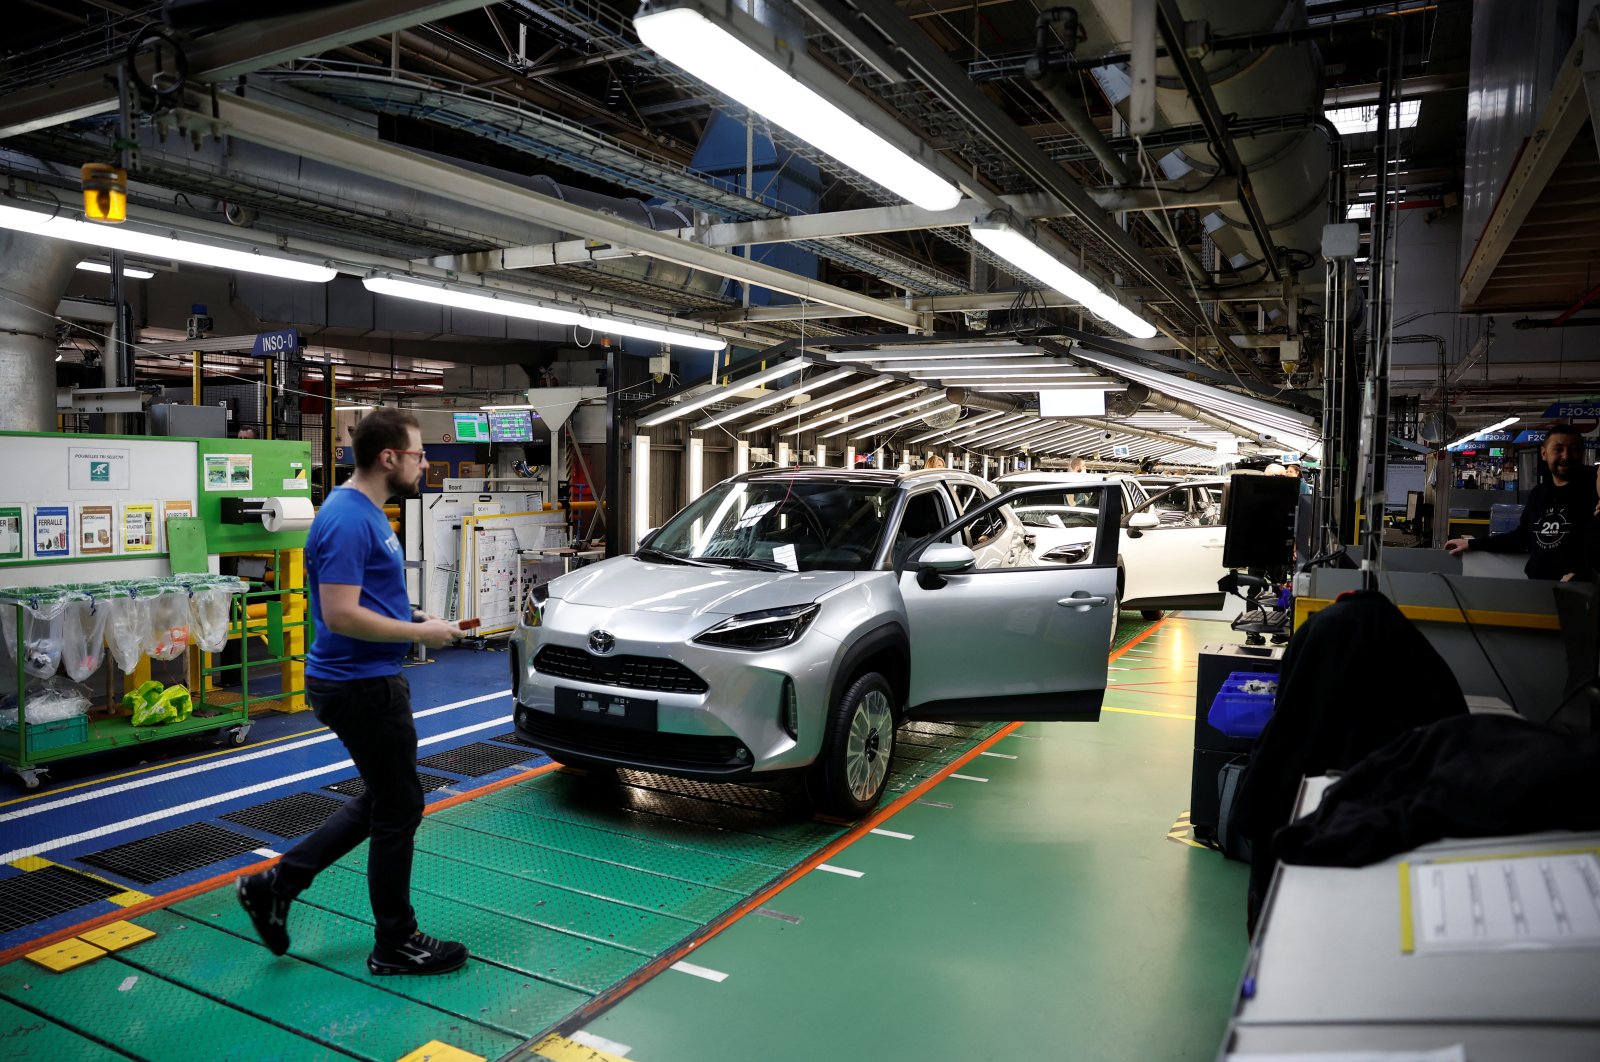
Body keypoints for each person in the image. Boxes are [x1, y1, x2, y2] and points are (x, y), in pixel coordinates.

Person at [236, 408, 467, 974]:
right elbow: (339, 614)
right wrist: (421, 632)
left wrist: (405, 613)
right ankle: (396, 942)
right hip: (360, 685)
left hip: (365, 678)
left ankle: (275, 884)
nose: (425, 462)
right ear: (389, 458)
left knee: (386, 797)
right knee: (399, 805)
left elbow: (355, 598)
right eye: (418, 453)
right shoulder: (348, 518)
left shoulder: (364, 513)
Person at [1445, 425, 1596, 581]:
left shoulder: (1595, 489)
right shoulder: (1539, 494)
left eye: (1574, 449)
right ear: (1544, 453)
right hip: (1538, 586)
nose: (1566, 456)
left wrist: (1585, 575)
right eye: (1558, 449)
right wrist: (1472, 544)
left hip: (1583, 592)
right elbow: (1522, 538)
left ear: (1582, 452)